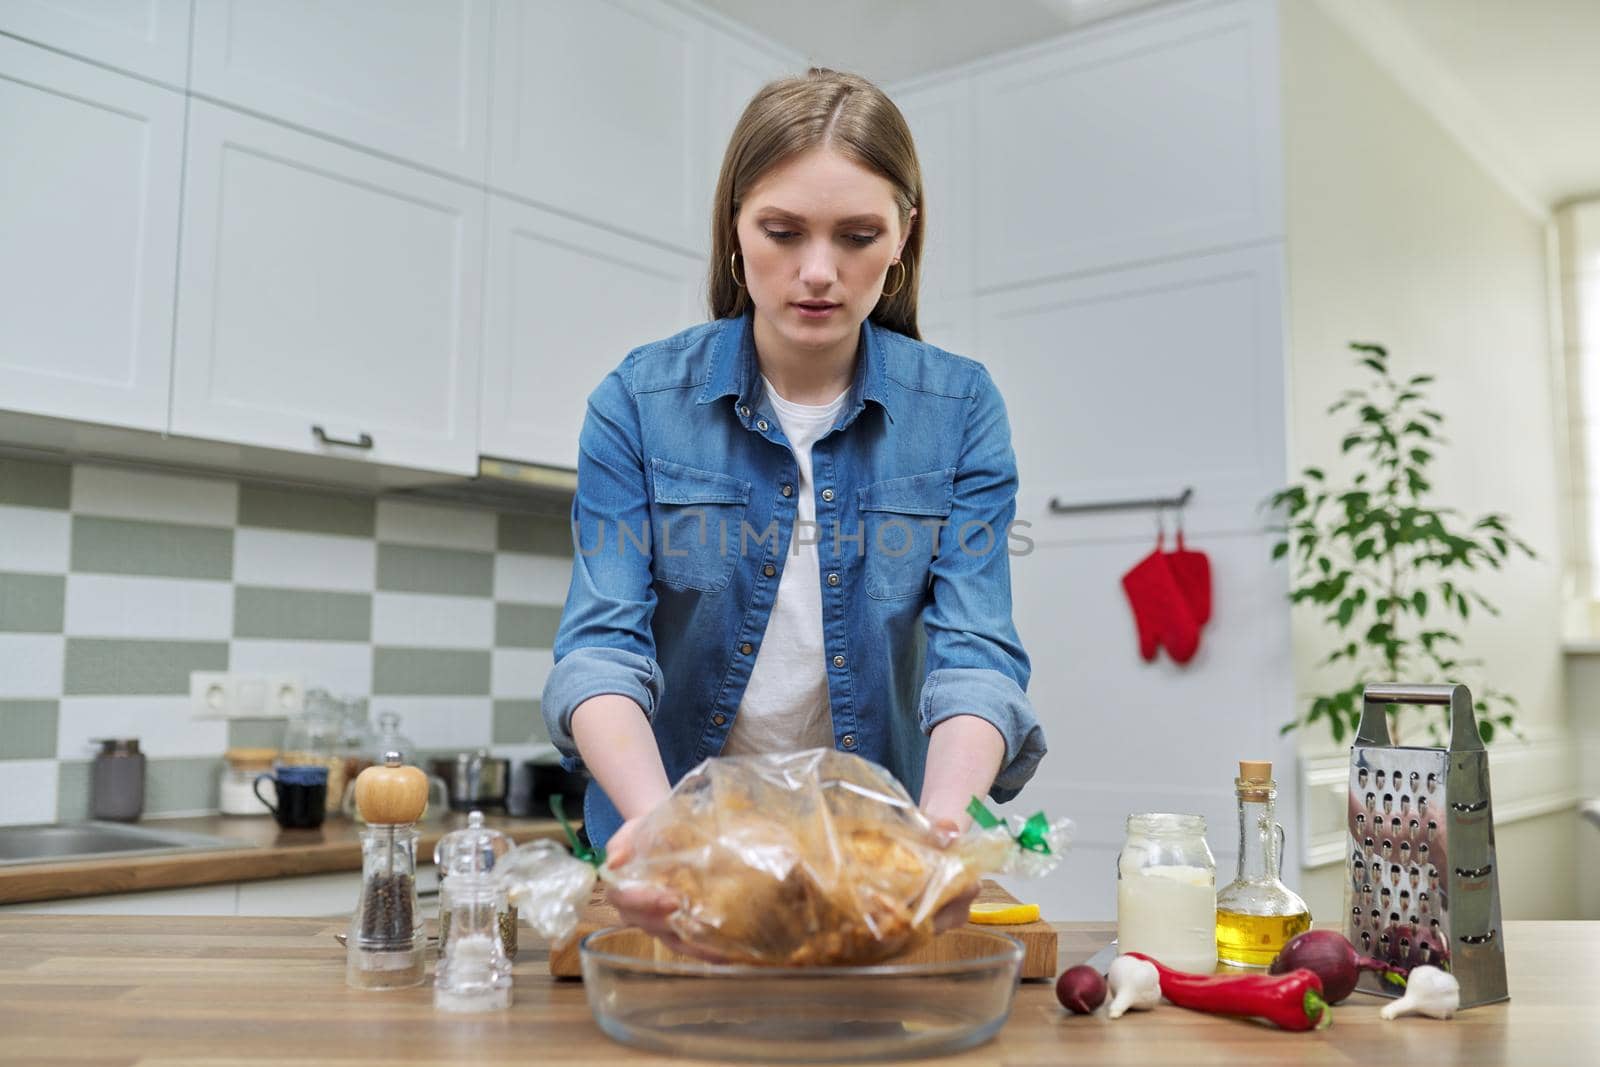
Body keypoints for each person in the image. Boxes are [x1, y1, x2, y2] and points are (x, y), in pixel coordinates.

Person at [541, 68, 1046, 945]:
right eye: (782, 231)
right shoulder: (636, 400)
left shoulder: (961, 410)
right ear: (735, 227)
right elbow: (599, 651)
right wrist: (662, 830)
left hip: (871, 856)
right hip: (679, 847)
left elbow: (976, 654)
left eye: (857, 236)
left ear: (903, 236)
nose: (819, 272)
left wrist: (946, 832)